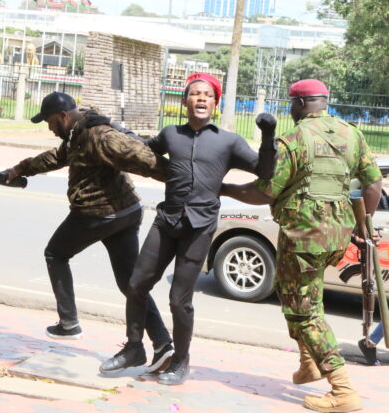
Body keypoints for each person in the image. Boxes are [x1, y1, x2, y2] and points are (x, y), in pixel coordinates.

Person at [100, 73, 277, 385]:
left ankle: (181, 361)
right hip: (167, 220)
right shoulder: (171, 134)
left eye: (207, 95)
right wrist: (112, 127)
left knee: (179, 299)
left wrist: (267, 137)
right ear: (184, 101)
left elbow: (264, 171)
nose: (201, 99)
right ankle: (133, 348)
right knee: (136, 283)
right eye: (195, 94)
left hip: (200, 227)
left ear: (215, 103)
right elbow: (142, 148)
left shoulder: (229, 141)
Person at [221, 79, 382, 412]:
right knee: (294, 290)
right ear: (323, 102)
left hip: (304, 236)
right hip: (336, 235)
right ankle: (308, 362)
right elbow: (373, 182)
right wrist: (360, 225)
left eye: (291, 106)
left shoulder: (293, 139)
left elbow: (263, 192)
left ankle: (342, 389)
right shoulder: (352, 133)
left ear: (298, 105)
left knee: (305, 312)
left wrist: (223, 189)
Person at [4, 92, 175, 373]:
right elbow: (55, 158)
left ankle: (69, 323)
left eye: (48, 122)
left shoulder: (98, 134)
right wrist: (18, 170)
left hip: (99, 214)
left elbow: (142, 157)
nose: (48, 128)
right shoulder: (75, 134)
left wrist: (185, 180)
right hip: (124, 214)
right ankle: (162, 345)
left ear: (62, 116)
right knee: (131, 284)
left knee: (55, 253)